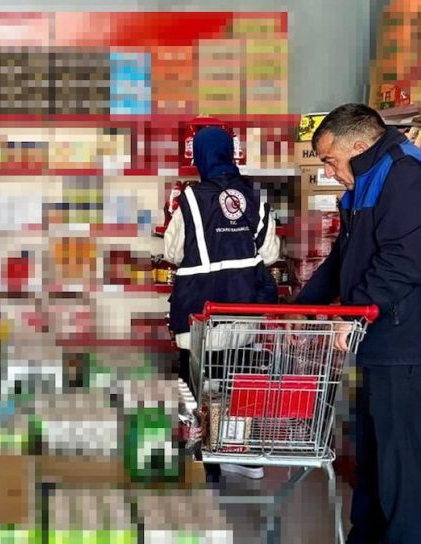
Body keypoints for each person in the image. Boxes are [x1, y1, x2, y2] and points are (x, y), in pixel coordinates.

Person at [294, 103, 421, 544]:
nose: (328, 171)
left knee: (401, 474)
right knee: (374, 464)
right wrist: (299, 309)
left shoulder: (406, 175)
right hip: (385, 342)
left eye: (330, 160)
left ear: (358, 145)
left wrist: (353, 315)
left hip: (414, 346)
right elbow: (344, 259)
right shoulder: (367, 181)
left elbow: (401, 263)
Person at [165, 126, 280, 480]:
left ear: (200, 157)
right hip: (243, 313)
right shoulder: (254, 198)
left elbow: (172, 252)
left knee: (196, 386)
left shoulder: (191, 199)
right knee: (235, 384)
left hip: (198, 315)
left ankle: (202, 459)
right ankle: (238, 452)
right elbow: (271, 253)